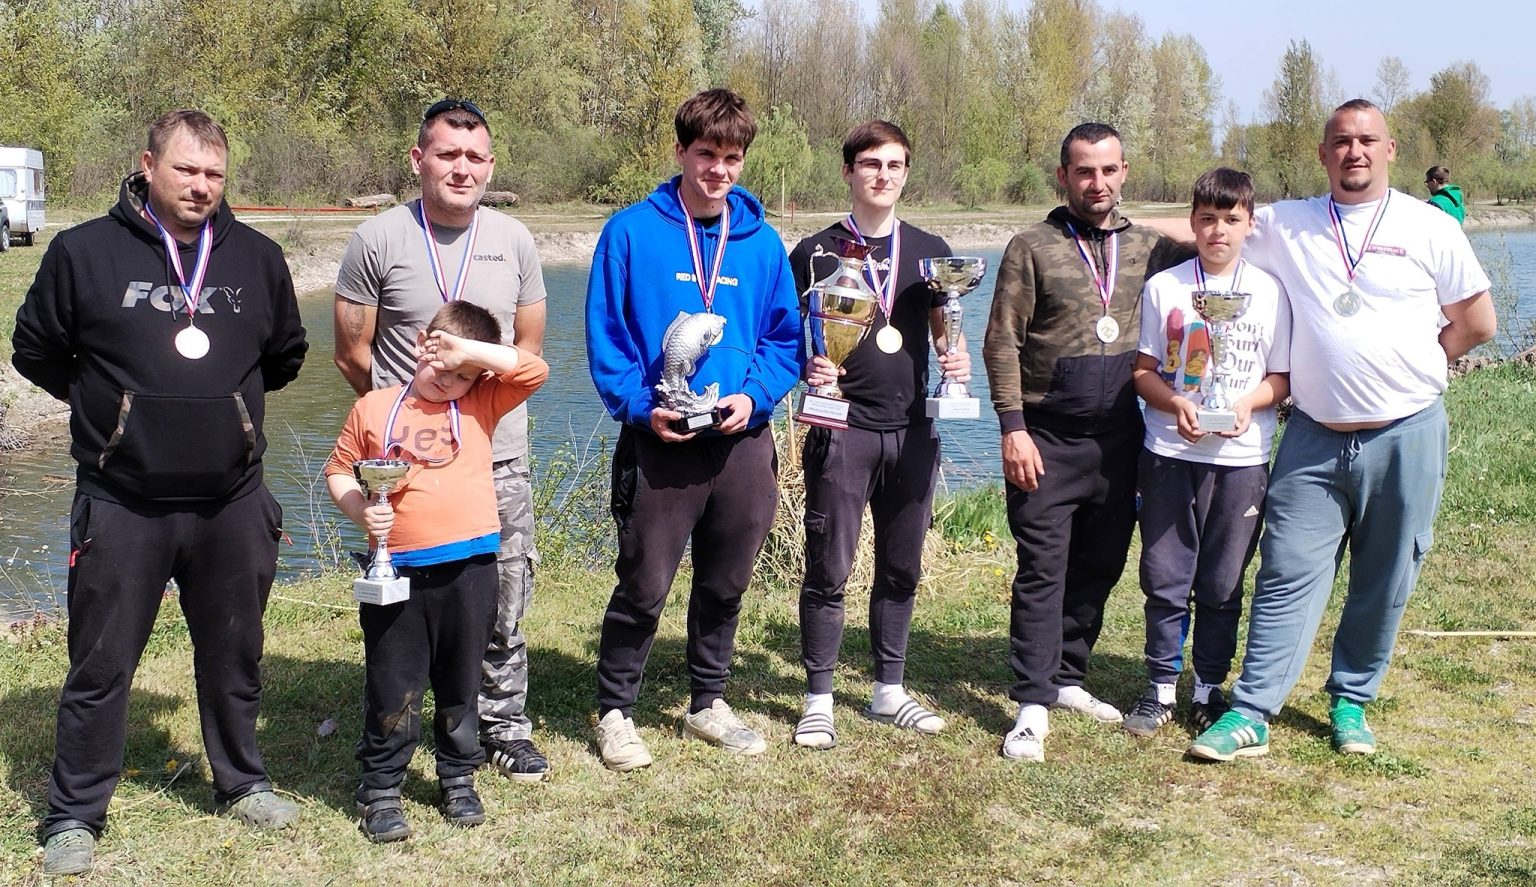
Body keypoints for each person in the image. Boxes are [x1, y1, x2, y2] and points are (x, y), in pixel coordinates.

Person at [10, 109, 308, 875]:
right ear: (148, 166)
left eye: (214, 173)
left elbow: (284, 356)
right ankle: (74, 813)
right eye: (186, 169)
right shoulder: (83, 252)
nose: (201, 186)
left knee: (235, 650)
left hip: (231, 500)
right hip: (122, 500)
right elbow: (35, 349)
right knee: (101, 661)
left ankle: (241, 780)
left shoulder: (258, 258)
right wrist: (112, 413)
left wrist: (223, 415)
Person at [1189, 100, 1495, 762]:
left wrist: (1417, 364)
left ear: (1390, 150)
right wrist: (1113, 223)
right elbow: (1213, 223)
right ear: (1323, 154)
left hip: (1406, 432)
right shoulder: (1288, 223)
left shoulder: (1430, 226)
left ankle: (1351, 698)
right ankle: (1251, 710)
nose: (1354, 151)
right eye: (1341, 141)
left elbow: (1478, 323)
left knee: (1386, 574)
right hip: (1313, 435)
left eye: (1367, 140)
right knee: (1285, 570)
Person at [333, 99, 554, 782]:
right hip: (407, 469)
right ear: (418, 159)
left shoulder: (514, 239)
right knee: (408, 607)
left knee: (502, 597)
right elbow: (352, 353)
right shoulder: (377, 238)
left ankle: (502, 724)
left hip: (497, 454)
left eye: (475, 157)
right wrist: (401, 423)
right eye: (447, 154)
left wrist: (468, 385)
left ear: (491, 164)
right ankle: (399, 722)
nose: (462, 169)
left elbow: (528, 351)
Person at [584, 88, 801, 771]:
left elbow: (784, 341)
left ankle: (708, 700)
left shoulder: (762, 243)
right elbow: (607, 338)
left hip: (742, 440)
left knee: (726, 581)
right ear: (680, 150)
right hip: (661, 438)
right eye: (706, 154)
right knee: (644, 582)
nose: (719, 170)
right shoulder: (629, 233)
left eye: (732, 158)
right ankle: (615, 710)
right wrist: (637, 406)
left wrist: (755, 397)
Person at [981, 122, 1191, 763]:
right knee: (1042, 570)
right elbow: (1001, 341)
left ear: (1124, 172)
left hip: (1121, 437)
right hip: (1046, 437)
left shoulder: (1151, 249)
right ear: (1063, 177)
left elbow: (1222, 241)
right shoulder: (1031, 246)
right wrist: (1013, 428)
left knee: (1101, 563)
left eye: (1108, 170)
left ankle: (1068, 676)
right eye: (1084, 171)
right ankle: (1031, 705)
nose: (1096, 183)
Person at [326, 301, 548, 841]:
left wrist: (464, 352)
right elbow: (339, 470)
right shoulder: (374, 407)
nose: (448, 380)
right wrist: (360, 511)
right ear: (420, 345)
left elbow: (533, 370)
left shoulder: (482, 401)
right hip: (397, 572)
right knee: (393, 683)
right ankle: (380, 788)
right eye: (439, 365)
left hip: (471, 568)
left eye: (462, 375)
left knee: (460, 681)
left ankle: (457, 777)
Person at [786, 120, 970, 749]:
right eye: (870, 164)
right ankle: (819, 699)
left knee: (901, 567)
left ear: (906, 173)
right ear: (848, 172)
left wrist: (954, 356)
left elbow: (943, 329)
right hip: (844, 428)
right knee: (829, 568)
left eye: (894, 165)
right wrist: (808, 367)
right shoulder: (815, 251)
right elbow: (782, 336)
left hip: (913, 430)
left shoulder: (930, 251)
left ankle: (889, 689)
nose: (882, 175)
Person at [1122, 168, 1290, 739]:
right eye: (1208, 219)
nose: (1219, 230)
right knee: (1165, 575)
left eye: (1231, 219)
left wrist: (1246, 405)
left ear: (1249, 224)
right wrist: (1175, 404)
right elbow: (1143, 372)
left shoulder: (1269, 291)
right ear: (1192, 223)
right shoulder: (1165, 288)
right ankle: (1160, 688)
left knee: (1222, 582)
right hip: (1169, 452)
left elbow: (1280, 378)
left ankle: (1208, 688)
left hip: (1242, 459)